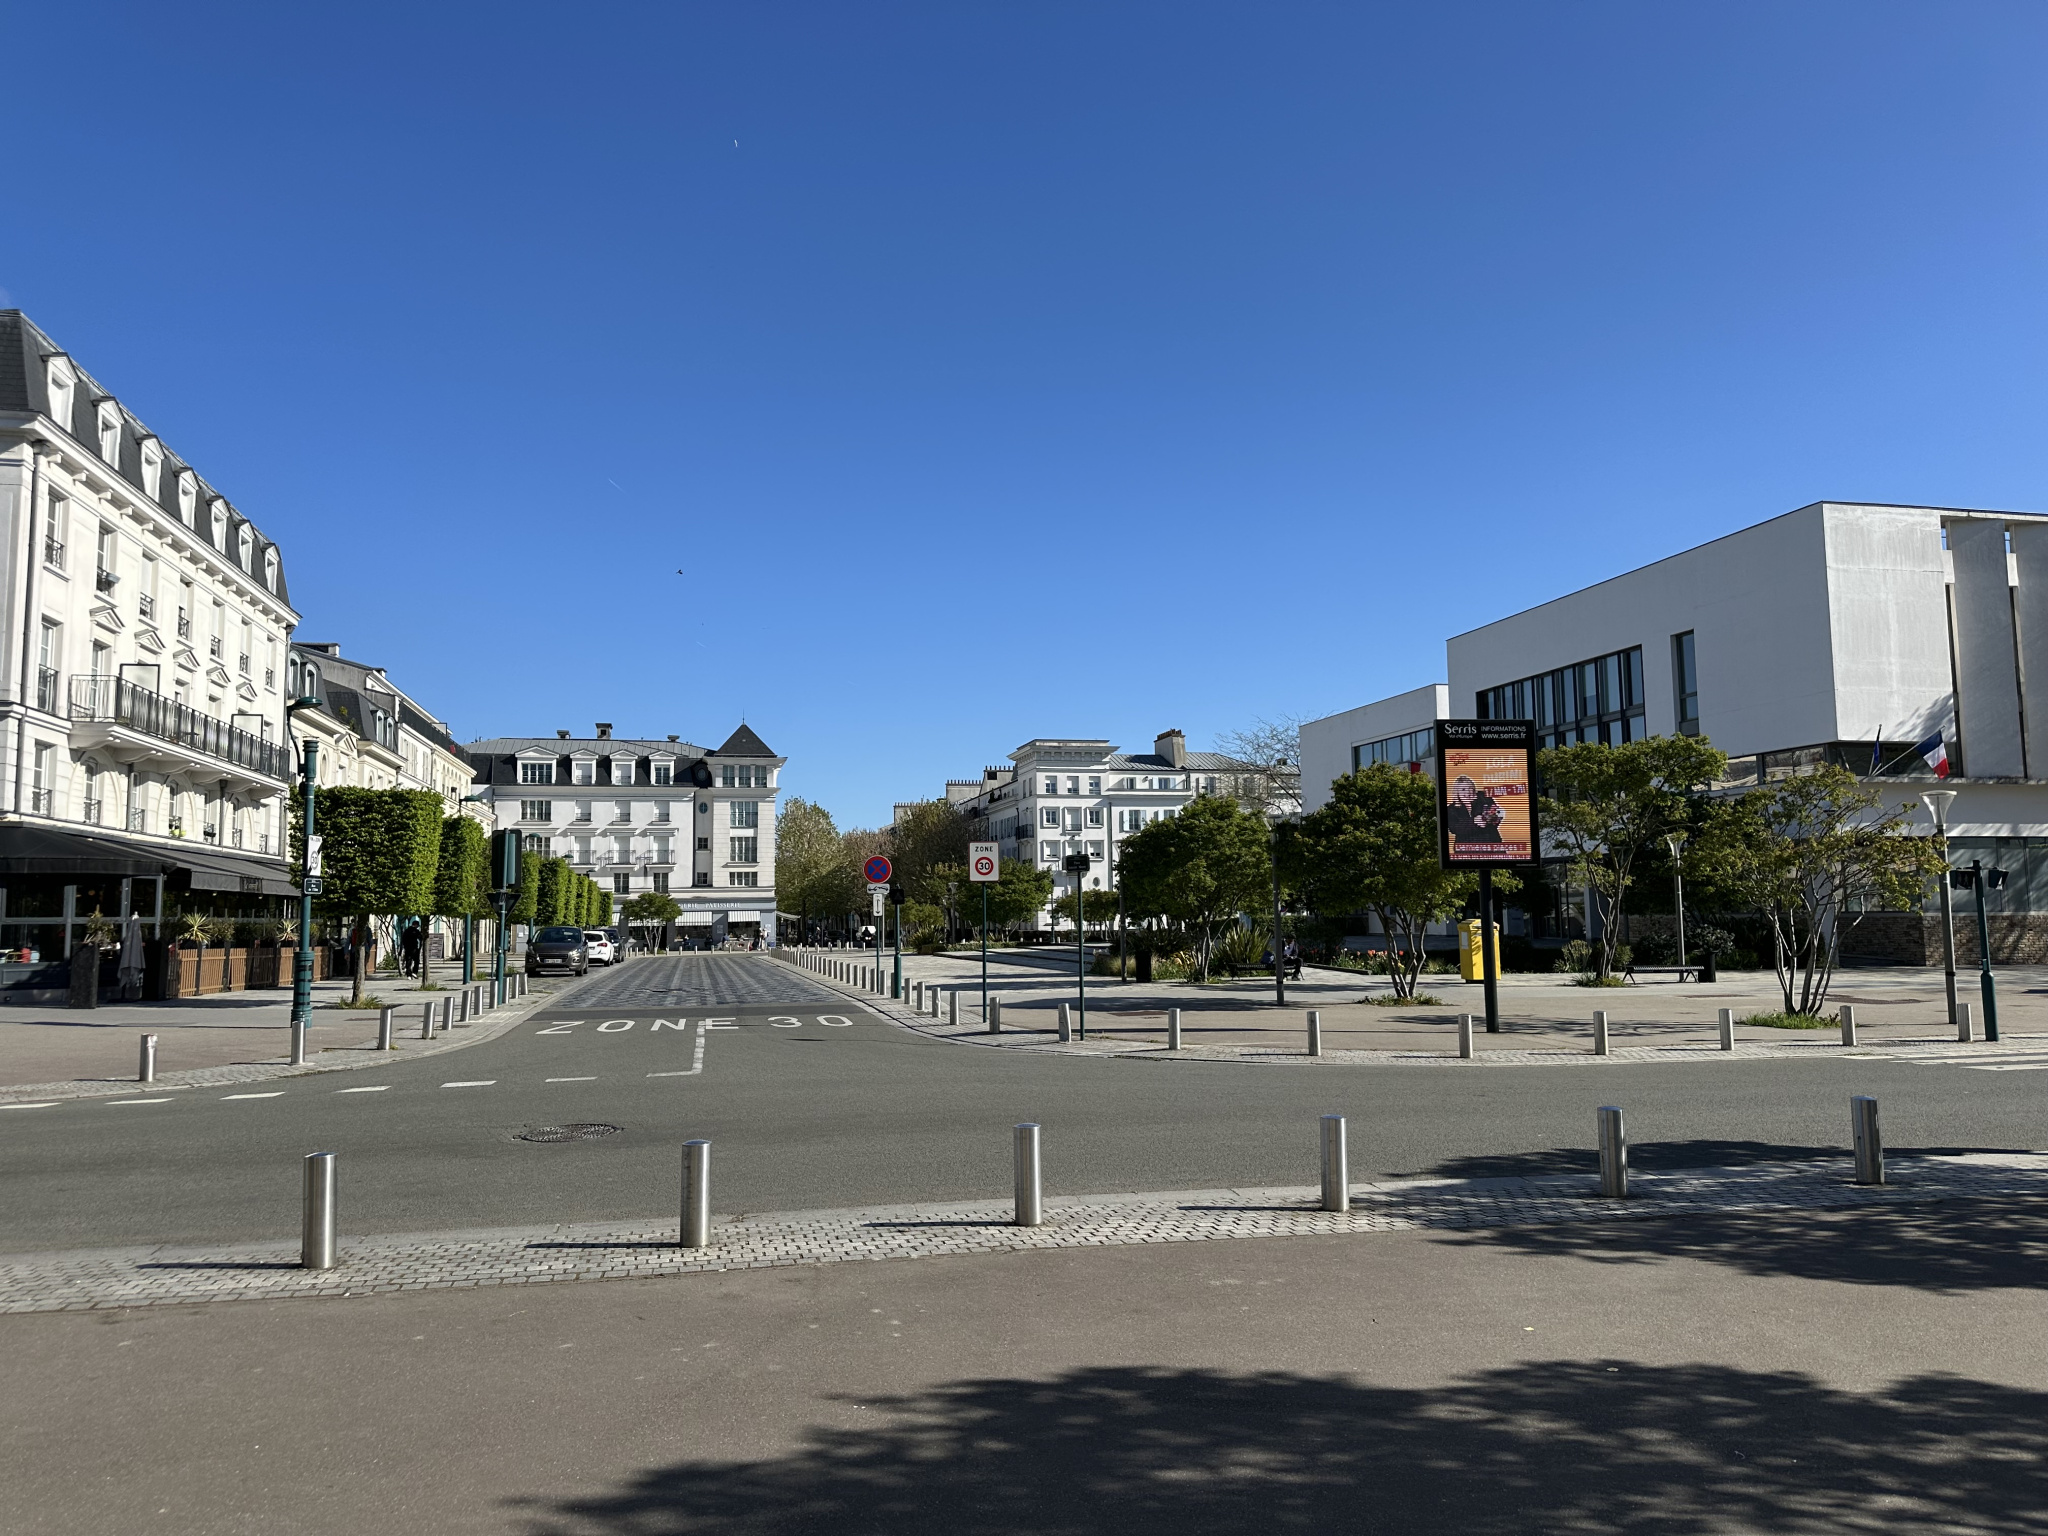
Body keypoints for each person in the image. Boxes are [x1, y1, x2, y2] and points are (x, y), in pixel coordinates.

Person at [1445, 774, 1505, 846]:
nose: (1467, 792)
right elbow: (1454, 828)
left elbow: (1497, 814)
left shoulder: (1484, 799)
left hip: (1491, 845)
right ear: (1457, 792)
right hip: (1467, 849)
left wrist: (1488, 819)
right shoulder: (1451, 809)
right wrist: (1474, 821)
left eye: (1470, 788)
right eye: (1463, 789)